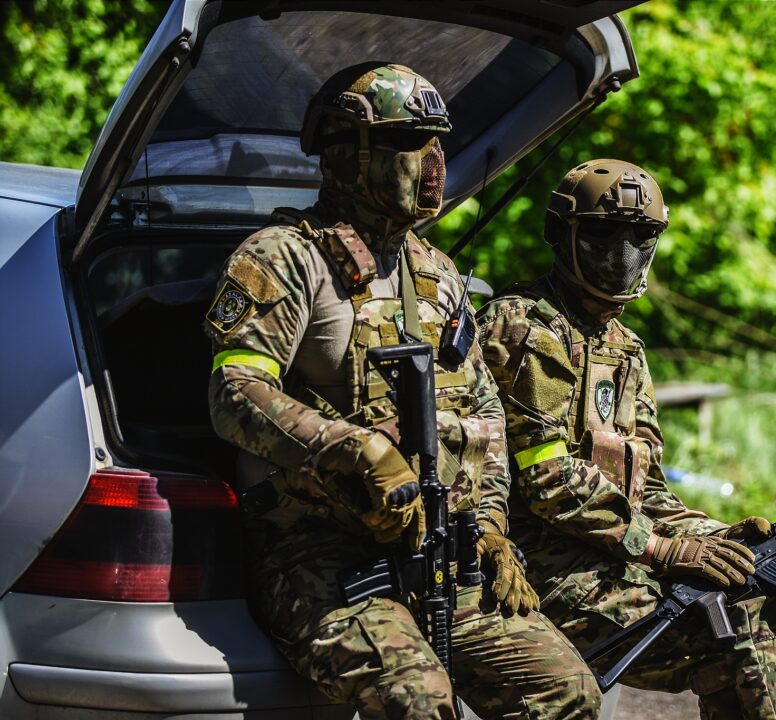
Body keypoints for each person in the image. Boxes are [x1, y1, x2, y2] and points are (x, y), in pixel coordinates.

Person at [204, 62, 601, 720]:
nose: (434, 160)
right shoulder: (284, 258)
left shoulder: (436, 271)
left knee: (566, 690)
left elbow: (484, 413)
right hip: (318, 552)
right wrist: (356, 448)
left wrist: (491, 530)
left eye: (437, 141)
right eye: (410, 143)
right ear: (349, 154)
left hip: (440, 548)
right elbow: (234, 391)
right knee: (419, 701)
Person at [477, 159, 776, 720]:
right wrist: (666, 551)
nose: (621, 253)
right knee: (740, 623)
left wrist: (718, 537)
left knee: (760, 594)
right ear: (559, 235)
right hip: (541, 568)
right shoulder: (523, 327)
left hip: (612, 557)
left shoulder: (624, 346)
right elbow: (548, 481)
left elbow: (648, 489)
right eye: (602, 234)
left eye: (639, 237)